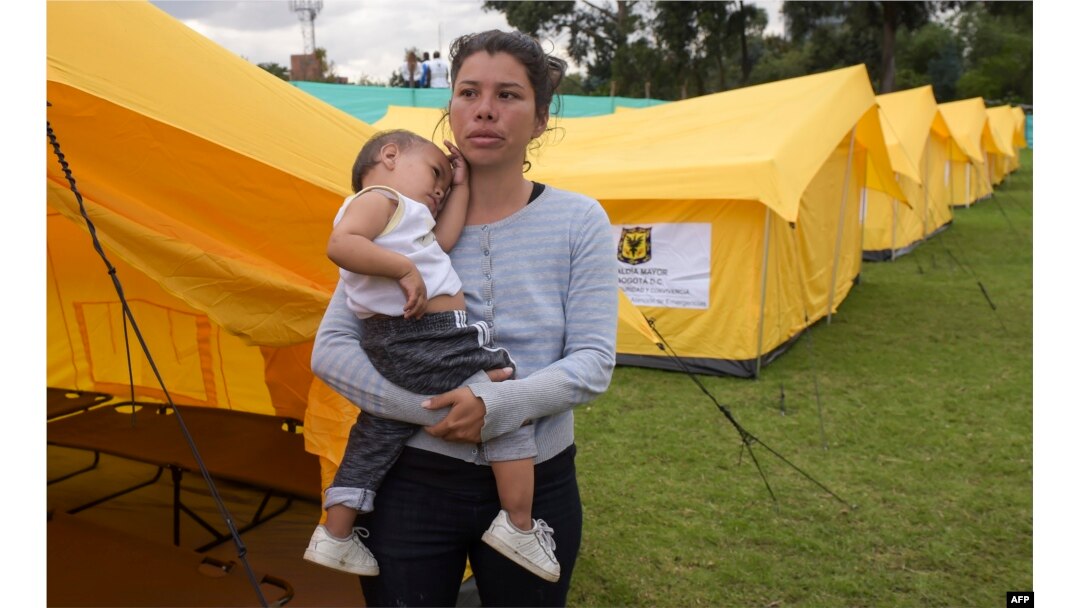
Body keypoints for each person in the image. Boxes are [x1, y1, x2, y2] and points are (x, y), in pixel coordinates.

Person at [311, 29, 617, 607]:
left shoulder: (579, 220)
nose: (485, 109)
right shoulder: (402, 222)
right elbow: (331, 351)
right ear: (449, 106)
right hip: (410, 482)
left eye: (508, 95)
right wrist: (436, 413)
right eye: (469, 92)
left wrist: (497, 405)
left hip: (540, 480)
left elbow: (594, 363)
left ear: (541, 119)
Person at [303, 129, 561, 582]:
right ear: (389, 156)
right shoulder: (380, 199)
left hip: (395, 344)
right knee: (506, 406)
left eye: (444, 182)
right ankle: (519, 525)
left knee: (378, 433)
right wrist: (403, 269)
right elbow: (340, 244)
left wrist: (458, 186)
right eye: (434, 172)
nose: (439, 188)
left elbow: (443, 241)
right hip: (428, 338)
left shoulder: (408, 221)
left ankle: (336, 533)